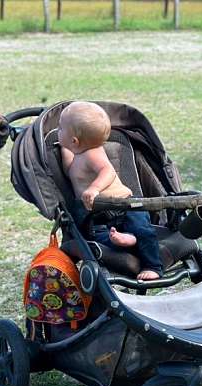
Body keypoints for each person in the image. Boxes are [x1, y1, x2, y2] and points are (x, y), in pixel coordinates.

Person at [58, 101, 162, 280]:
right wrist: (63, 147)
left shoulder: (93, 152)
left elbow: (108, 171)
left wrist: (94, 188)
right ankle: (128, 241)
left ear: (75, 141)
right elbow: (68, 169)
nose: (56, 131)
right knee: (100, 238)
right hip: (97, 216)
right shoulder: (75, 157)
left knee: (144, 230)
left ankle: (153, 266)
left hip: (125, 204)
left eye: (59, 128)